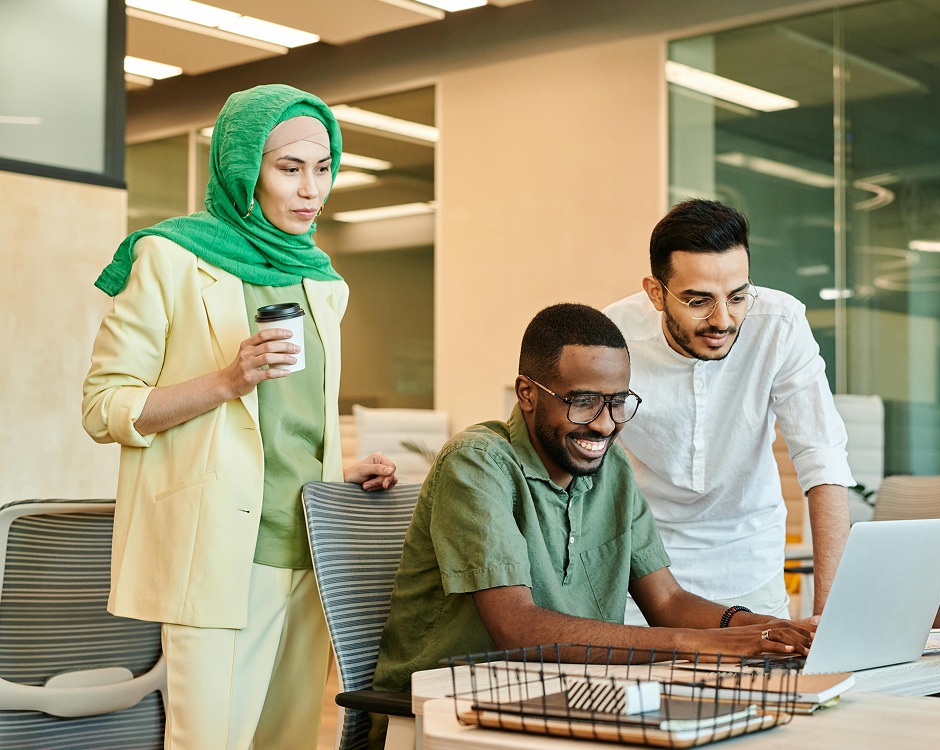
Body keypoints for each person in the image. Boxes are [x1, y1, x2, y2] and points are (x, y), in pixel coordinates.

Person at [83, 84, 396, 750]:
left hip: (309, 553)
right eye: (290, 168)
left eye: (323, 167)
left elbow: (287, 426)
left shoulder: (322, 280)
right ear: (244, 168)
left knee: (288, 742)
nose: (312, 188)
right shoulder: (168, 258)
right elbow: (104, 406)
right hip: (220, 554)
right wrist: (226, 380)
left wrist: (344, 470)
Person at [369, 303, 816, 748]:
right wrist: (699, 644)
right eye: (583, 402)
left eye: (618, 403)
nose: (604, 424)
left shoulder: (612, 470)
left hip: (574, 704)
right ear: (527, 393)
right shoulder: (477, 464)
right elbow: (517, 628)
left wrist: (771, 631)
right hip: (448, 715)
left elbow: (668, 600)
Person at [603, 199, 854, 629]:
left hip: (750, 565)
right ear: (655, 293)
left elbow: (822, 460)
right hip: (643, 575)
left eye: (737, 297)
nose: (723, 320)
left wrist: (832, 615)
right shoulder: (611, 337)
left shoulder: (781, 324)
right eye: (698, 301)